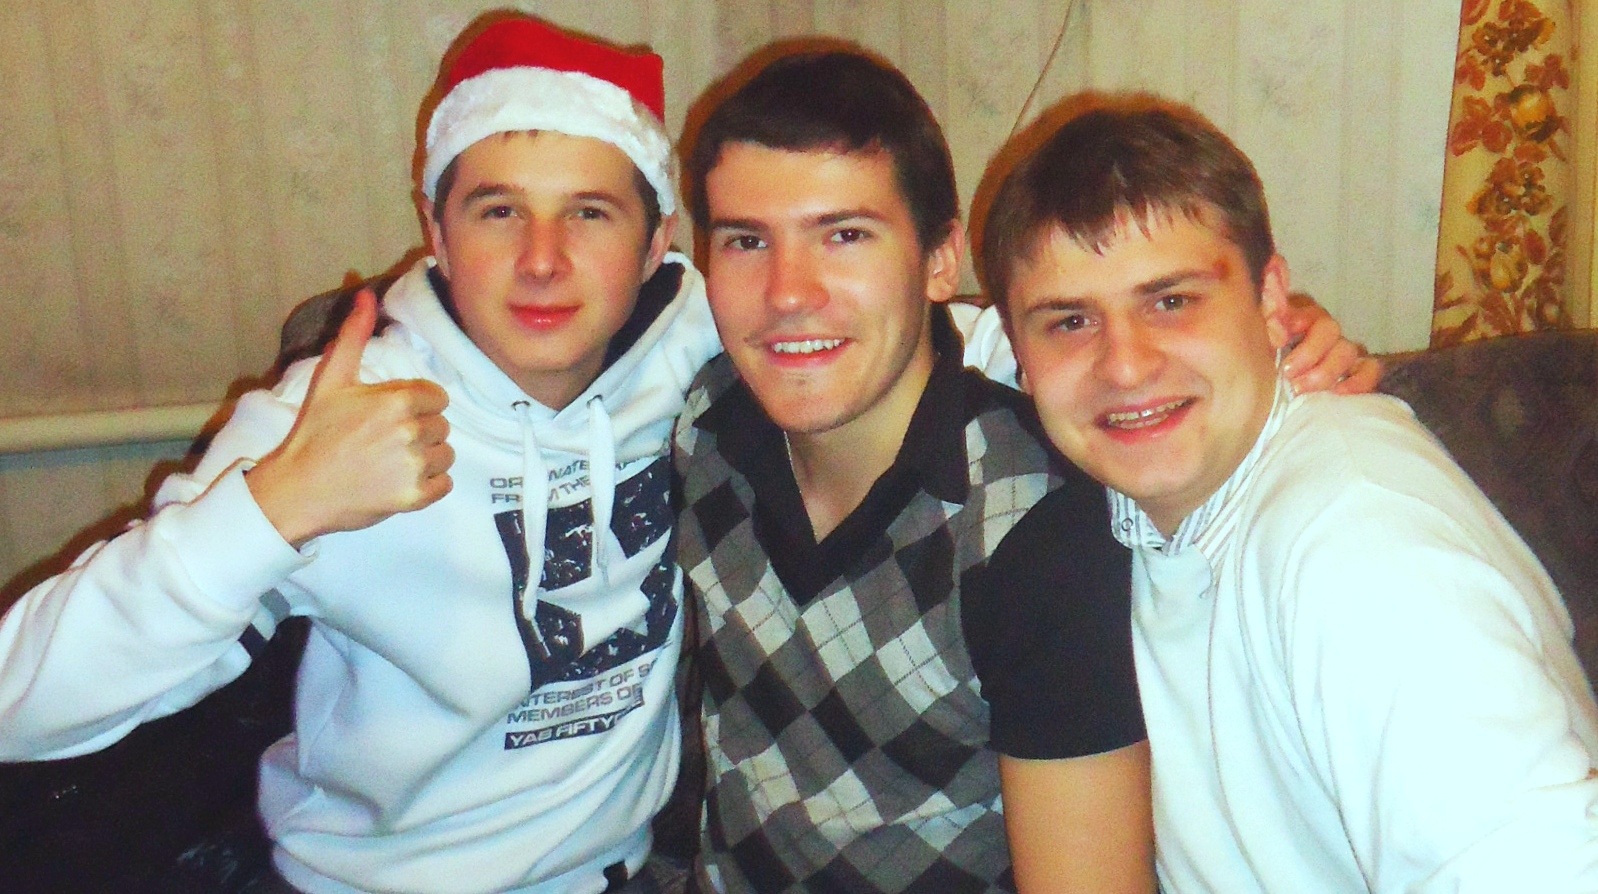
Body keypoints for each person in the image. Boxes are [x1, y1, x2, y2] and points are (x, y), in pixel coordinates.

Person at [0, 16, 721, 894]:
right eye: (499, 211)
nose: (542, 261)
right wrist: (278, 506)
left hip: (627, 873)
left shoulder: (698, 340)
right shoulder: (333, 417)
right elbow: (17, 706)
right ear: (438, 232)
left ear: (655, 244)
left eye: (589, 213)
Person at [673, 50, 1369, 894]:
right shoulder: (705, 423)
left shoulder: (1039, 532)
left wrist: (1283, 340)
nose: (788, 292)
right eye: (746, 241)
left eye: (845, 235)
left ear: (940, 259)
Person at [983, 93, 1598, 892]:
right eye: (1070, 322)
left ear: (1271, 300)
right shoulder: (1155, 490)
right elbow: (883, 348)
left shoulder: (1356, 545)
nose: (1125, 365)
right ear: (1021, 353)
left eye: (1171, 301)